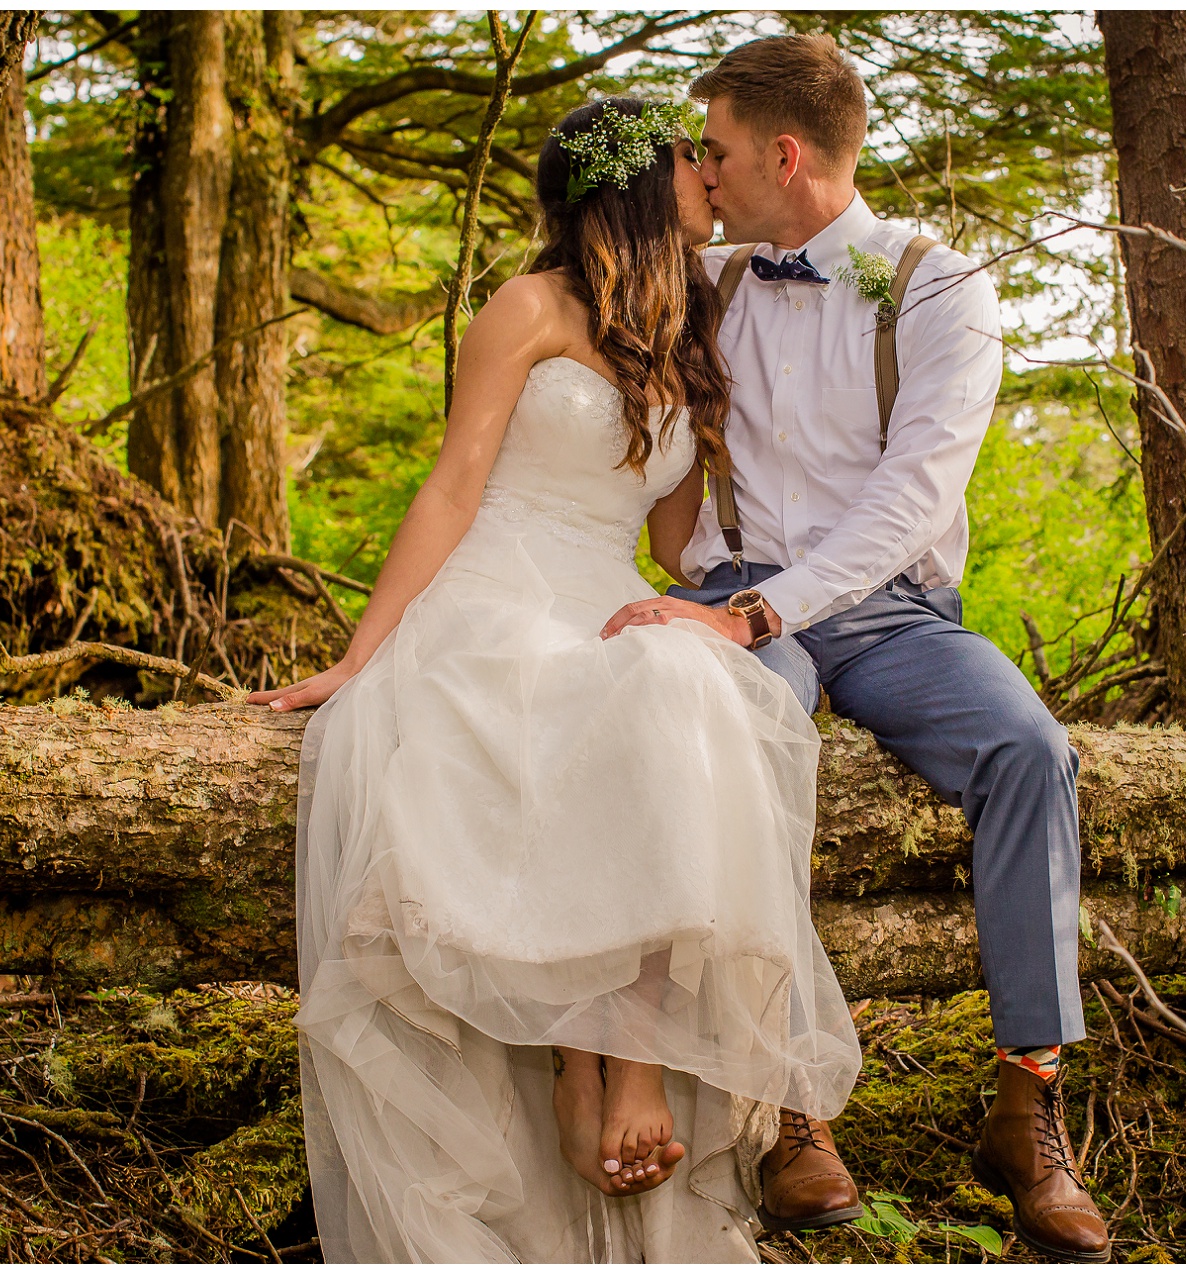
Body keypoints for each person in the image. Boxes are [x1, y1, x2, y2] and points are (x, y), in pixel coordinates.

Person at [258, 97, 860, 1261]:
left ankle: (620, 1064)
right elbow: (450, 487)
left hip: (604, 591)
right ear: (637, 184)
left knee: (672, 681)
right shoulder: (525, 306)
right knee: (619, 700)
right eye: (689, 158)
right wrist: (355, 654)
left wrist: (770, 593)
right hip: (494, 591)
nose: (708, 173)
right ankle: (594, 1072)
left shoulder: (689, 334)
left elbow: (679, 546)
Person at [612, 35, 1108, 1261]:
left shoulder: (935, 286)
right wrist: (712, 596)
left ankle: (1025, 1107)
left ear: (783, 154)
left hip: (889, 608)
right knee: (746, 741)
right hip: (736, 589)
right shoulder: (707, 278)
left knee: (1027, 747)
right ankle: (787, 1106)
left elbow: (906, 501)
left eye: (714, 149)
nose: (701, 171)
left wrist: (760, 614)